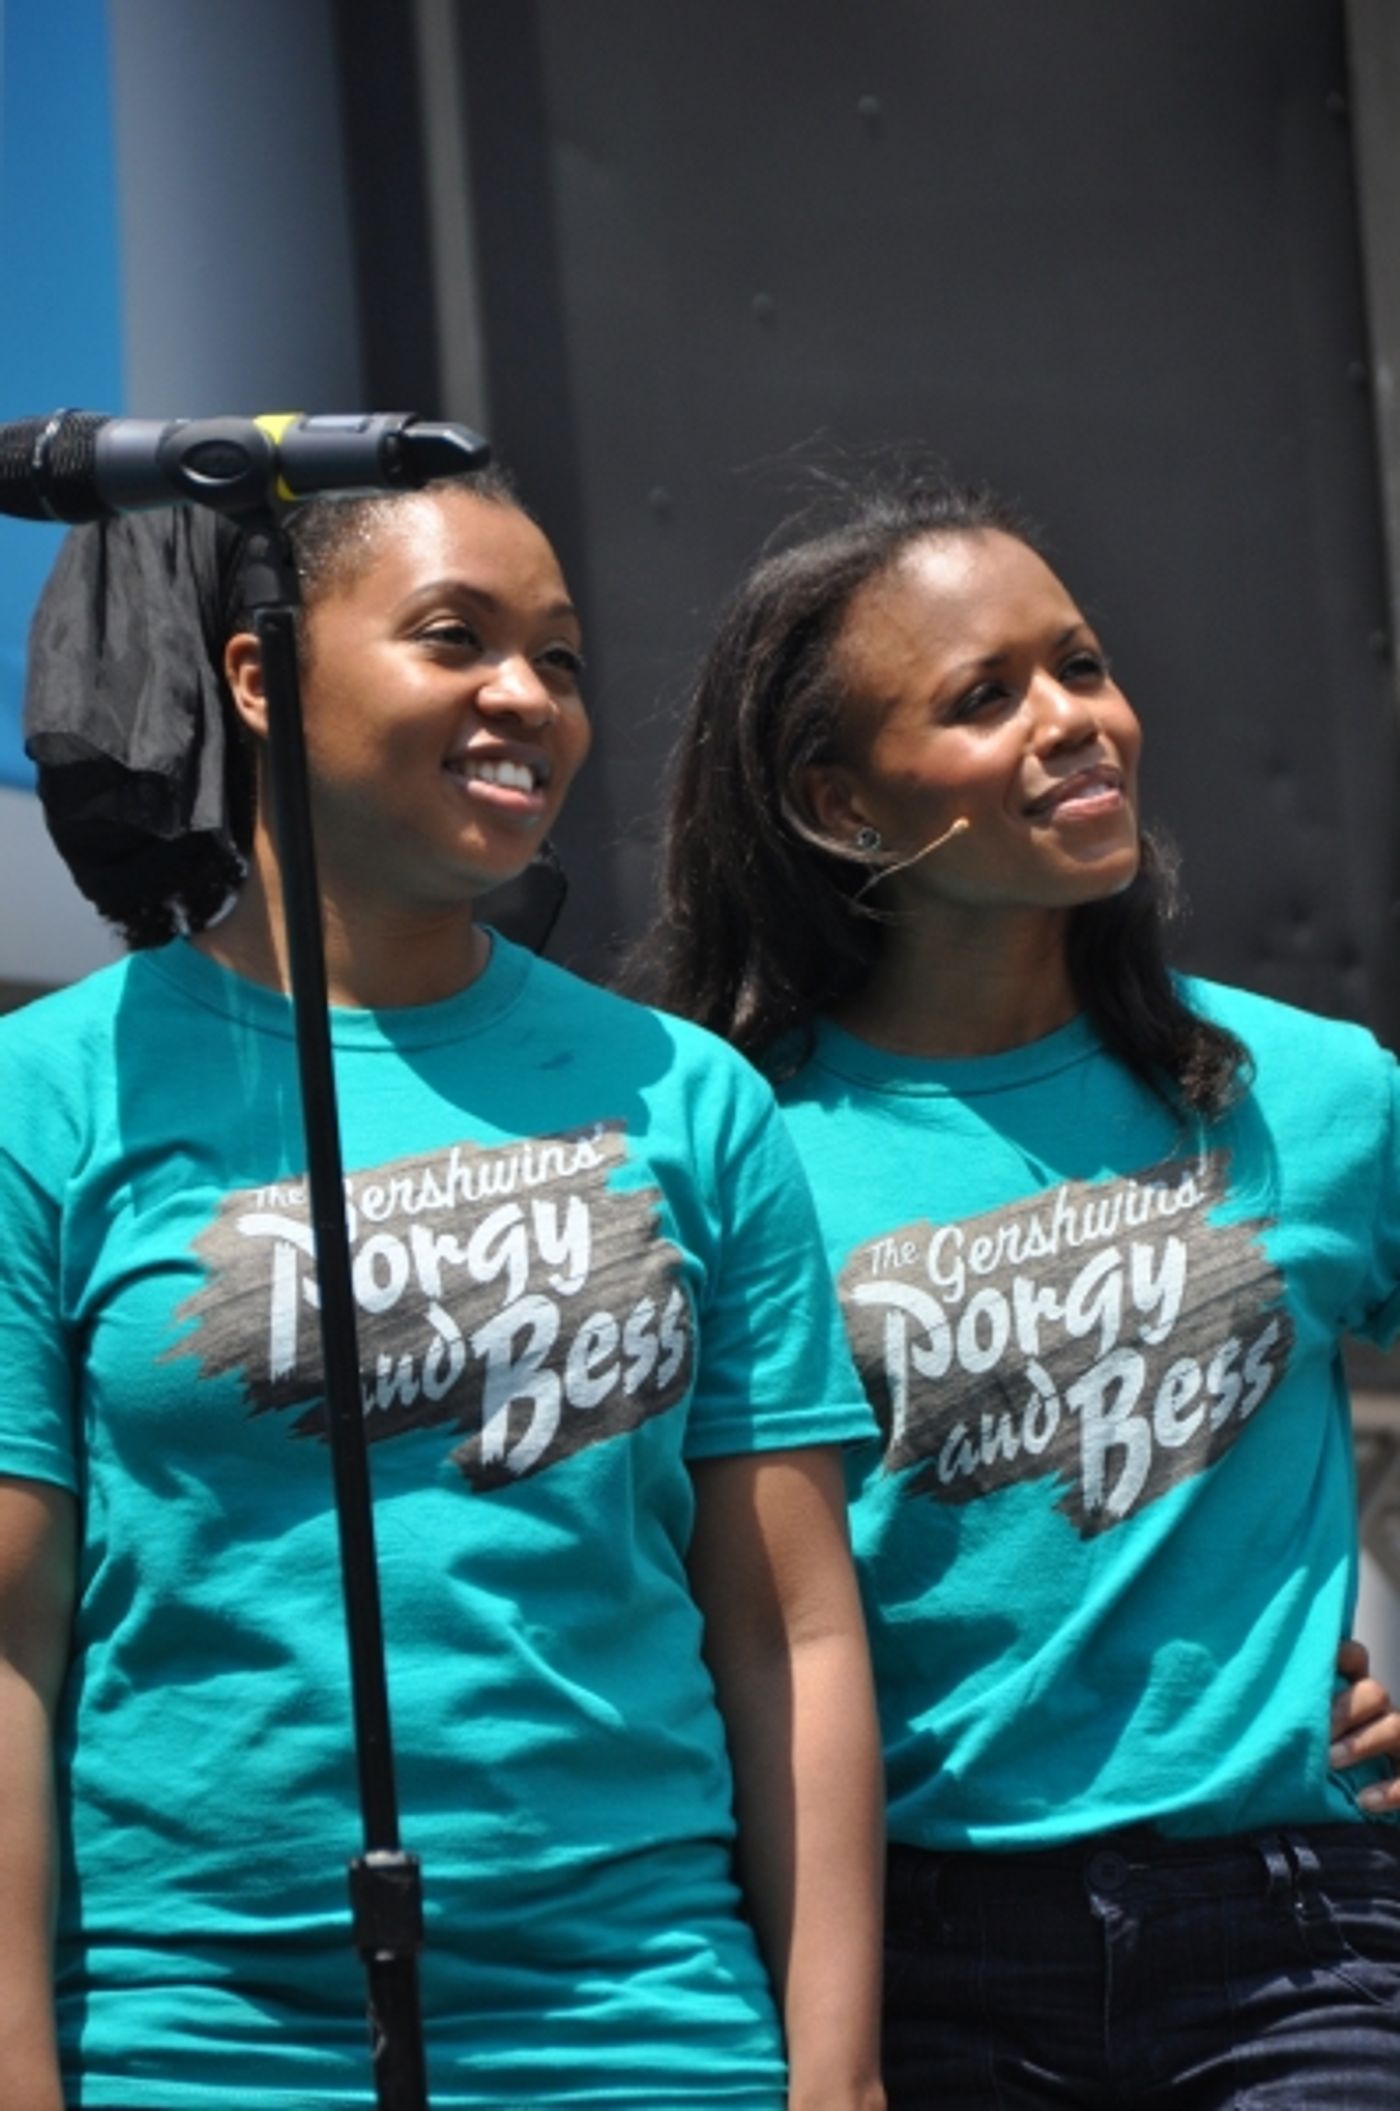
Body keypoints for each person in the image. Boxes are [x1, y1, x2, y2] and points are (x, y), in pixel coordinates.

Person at [0, 472, 887, 2111]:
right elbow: (10, 1642)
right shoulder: (48, 1095)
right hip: (195, 2035)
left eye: (556, 657)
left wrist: (831, 2071)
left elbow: (792, 1632)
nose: (526, 699)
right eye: (453, 639)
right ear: (260, 676)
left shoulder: (688, 1098)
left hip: (641, 2023)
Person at [642, 472, 1400, 2106]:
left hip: (1300, 1943)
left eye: (1082, 664)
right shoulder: (726, 1146)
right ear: (842, 807)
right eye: (987, 698)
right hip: (908, 1960)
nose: (1076, 721)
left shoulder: (1315, 1093)